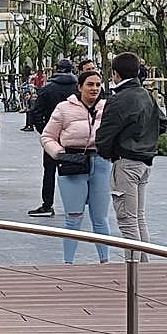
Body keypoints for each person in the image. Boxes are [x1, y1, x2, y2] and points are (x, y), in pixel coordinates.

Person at [40, 70, 112, 264]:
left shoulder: (108, 108)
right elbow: (47, 136)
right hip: (73, 164)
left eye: (98, 85)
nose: (94, 88)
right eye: (90, 84)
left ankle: (105, 261)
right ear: (79, 87)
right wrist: (59, 153)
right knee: (73, 217)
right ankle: (68, 263)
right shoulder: (64, 108)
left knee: (101, 218)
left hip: (101, 162)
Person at [96, 53, 160, 258]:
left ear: (115, 73)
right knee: (138, 218)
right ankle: (144, 265)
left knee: (127, 220)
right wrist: (146, 139)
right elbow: (163, 123)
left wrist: (108, 152)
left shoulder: (119, 99)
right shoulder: (145, 94)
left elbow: (105, 134)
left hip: (126, 161)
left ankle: (134, 268)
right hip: (144, 160)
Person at [27, 59, 80, 217]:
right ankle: (76, 204)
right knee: (74, 171)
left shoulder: (47, 89)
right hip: (75, 137)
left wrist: (46, 131)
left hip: (53, 137)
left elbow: (36, 113)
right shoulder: (78, 88)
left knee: (49, 172)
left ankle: (47, 204)